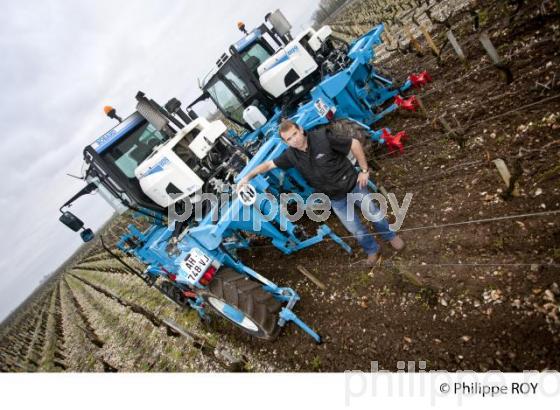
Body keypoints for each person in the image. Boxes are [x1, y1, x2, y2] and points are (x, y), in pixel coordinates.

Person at [238, 119, 404, 266]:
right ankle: (372, 249)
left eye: (295, 134)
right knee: (355, 229)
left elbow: (354, 143)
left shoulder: (322, 137)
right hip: (335, 198)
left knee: (374, 213)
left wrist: (364, 170)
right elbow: (267, 165)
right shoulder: (290, 156)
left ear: (301, 129)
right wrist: (247, 177)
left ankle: (390, 236)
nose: (294, 139)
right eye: (289, 139)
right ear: (286, 142)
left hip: (353, 184)